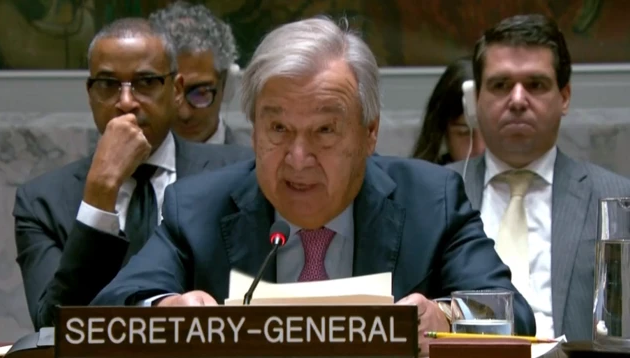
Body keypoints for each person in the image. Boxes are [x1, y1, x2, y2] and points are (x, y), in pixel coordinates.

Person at [91, 17, 536, 355]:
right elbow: (108, 312)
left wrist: (445, 319)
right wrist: (165, 311)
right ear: (254, 129)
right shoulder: (198, 207)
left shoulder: (430, 200)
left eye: (325, 131)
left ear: (369, 134)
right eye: (278, 128)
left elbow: (513, 316)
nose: (298, 158)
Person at [14, 17, 253, 330]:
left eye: (146, 82)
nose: (126, 102)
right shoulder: (41, 201)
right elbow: (53, 327)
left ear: (177, 91)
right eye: (108, 84)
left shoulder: (238, 173)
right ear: (90, 94)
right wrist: (100, 195)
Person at [448, 14, 630, 341]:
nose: (518, 100)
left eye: (536, 84)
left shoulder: (616, 198)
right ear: (475, 100)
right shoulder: (436, 195)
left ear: (564, 97)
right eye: (501, 85)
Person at [149, 1, 247, 145]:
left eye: (200, 93)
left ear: (224, 83)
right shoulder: (127, 161)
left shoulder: (256, 158)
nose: (184, 113)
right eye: (171, 94)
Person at [412, 57, 485, 164]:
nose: (480, 149)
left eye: (490, 133)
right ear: (442, 133)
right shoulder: (423, 178)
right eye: (465, 133)